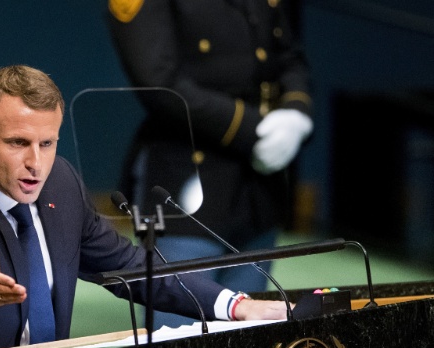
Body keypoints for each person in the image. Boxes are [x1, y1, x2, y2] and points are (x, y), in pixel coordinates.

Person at [0, 65, 289, 348]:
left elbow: (131, 266)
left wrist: (234, 304)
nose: (36, 163)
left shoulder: (61, 183)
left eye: (47, 143)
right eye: (18, 143)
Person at [107, 0, 313, 327]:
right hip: (187, 185)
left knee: (248, 341)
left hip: (257, 187)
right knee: (179, 339)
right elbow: (159, 82)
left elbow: (288, 56)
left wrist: (296, 112)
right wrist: (253, 129)